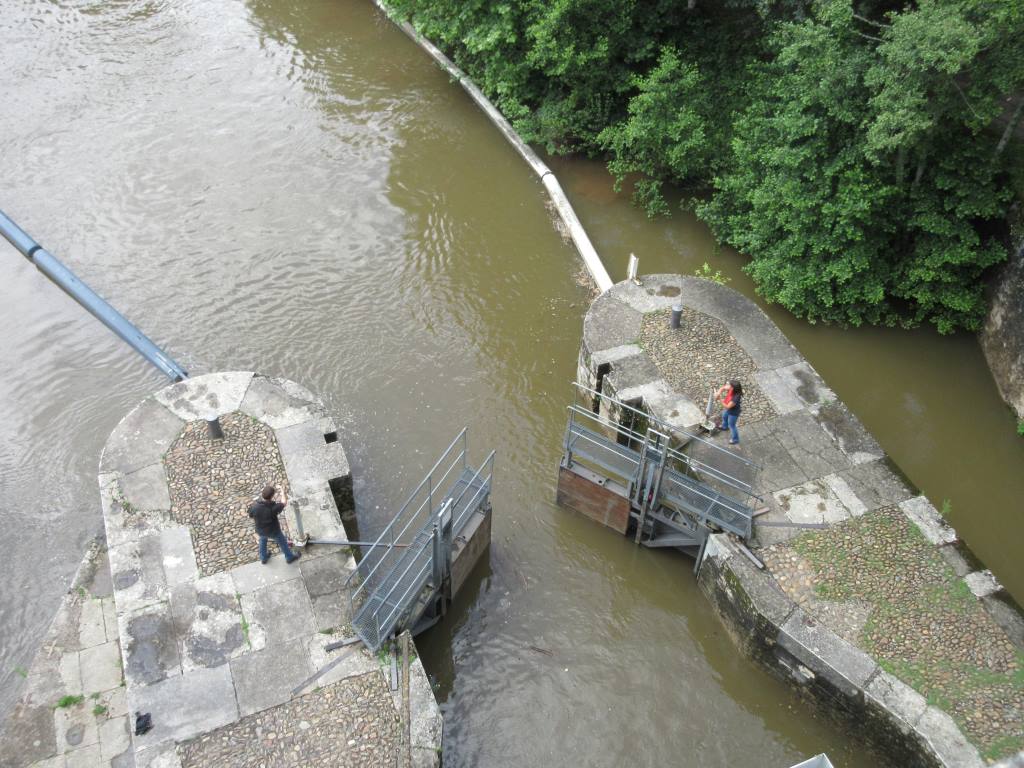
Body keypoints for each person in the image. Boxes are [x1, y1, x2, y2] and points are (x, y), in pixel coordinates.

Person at [248, 485, 301, 565]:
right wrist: (283, 492)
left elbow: (251, 515)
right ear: (272, 496)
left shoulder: (255, 506)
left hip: (260, 530)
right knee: (283, 542)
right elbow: (284, 502)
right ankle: (289, 557)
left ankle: (264, 558)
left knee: (262, 541)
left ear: (262, 494)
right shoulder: (273, 508)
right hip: (273, 531)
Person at [717, 379, 743, 445]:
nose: (726, 385)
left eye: (728, 384)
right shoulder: (731, 389)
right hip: (729, 409)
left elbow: (727, 406)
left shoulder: (736, 397)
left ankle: (735, 439)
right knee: (724, 416)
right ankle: (724, 427)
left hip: (733, 413)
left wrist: (719, 398)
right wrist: (718, 392)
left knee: (732, 425)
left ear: (732, 388)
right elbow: (723, 388)